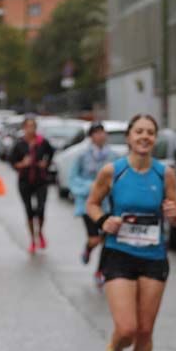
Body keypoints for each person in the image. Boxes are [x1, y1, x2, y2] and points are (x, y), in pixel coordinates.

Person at [86, 114, 176, 351]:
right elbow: (91, 204)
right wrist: (104, 221)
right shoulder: (112, 172)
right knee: (127, 328)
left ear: (155, 139)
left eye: (150, 133)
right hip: (119, 256)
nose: (145, 137)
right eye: (139, 131)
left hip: (153, 257)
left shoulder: (165, 174)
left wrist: (175, 217)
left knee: (144, 331)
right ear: (128, 137)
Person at [69, 122, 115, 285]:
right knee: (95, 239)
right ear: (91, 136)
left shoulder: (113, 156)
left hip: (107, 205)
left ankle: (100, 270)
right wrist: (89, 187)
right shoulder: (82, 155)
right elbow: (72, 178)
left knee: (107, 240)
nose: (100, 136)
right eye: (96, 133)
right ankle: (88, 249)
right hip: (88, 204)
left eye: (102, 132)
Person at [10, 116, 55, 254]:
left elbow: (51, 154)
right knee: (29, 210)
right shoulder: (19, 144)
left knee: (41, 209)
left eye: (33, 126)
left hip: (41, 180)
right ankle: (32, 239)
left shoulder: (43, 142)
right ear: (24, 128)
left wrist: (45, 163)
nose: (31, 129)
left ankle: (40, 232)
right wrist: (22, 164)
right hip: (25, 181)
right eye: (28, 126)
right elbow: (12, 162)